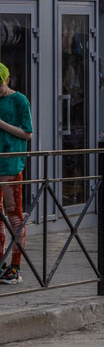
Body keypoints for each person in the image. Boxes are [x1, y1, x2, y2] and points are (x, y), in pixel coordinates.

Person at [0, 62, 33, 286]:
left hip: (11, 167)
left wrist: (2, 124)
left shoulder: (20, 101)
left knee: (14, 215)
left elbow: (27, 133)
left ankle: (15, 267)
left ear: (7, 80)